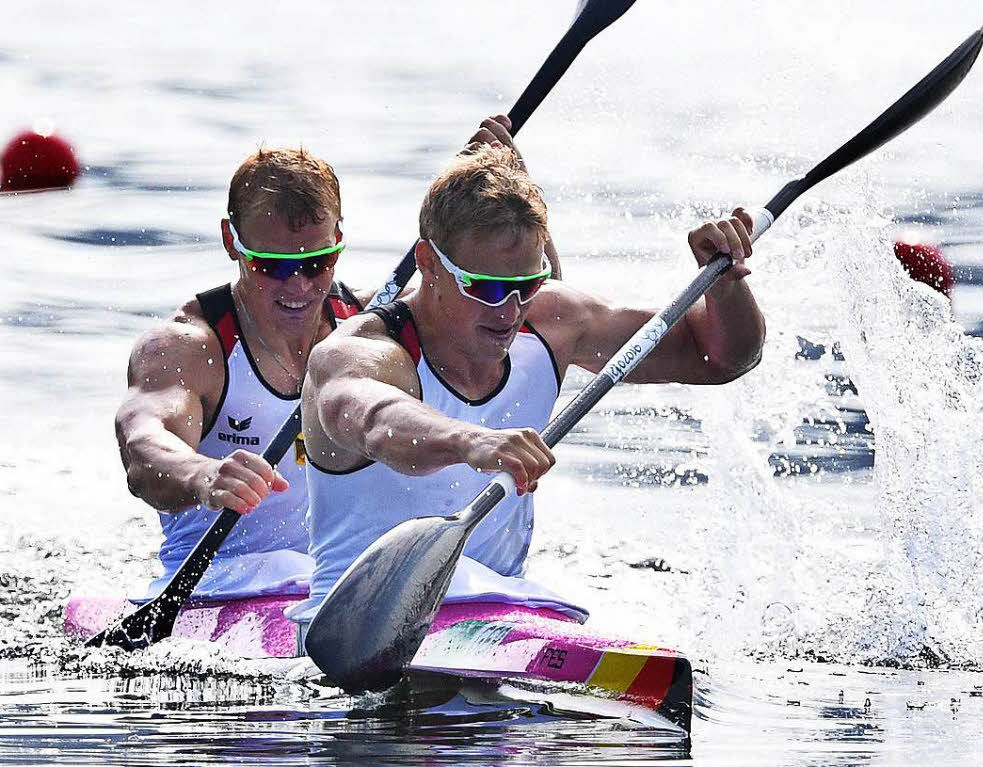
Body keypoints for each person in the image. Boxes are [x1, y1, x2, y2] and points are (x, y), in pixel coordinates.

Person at [294, 144, 765, 623]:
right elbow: (376, 422)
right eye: (487, 287)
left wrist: (726, 283)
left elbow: (721, 358)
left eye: (529, 284)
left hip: (502, 612)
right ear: (428, 263)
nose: (510, 309)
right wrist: (471, 440)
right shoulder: (361, 352)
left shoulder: (553, 321)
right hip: (352, 623)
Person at [115, 117, 558, 602]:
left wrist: (509, 199)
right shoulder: (191, 348)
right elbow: (144, 448)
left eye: (317, 262)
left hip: (336, 591)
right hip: (222, 588)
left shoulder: (370, 326)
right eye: (273, 266)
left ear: (340, 238)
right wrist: (202, 476)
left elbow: (517, 310)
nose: (299, 287)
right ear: (230, 241)